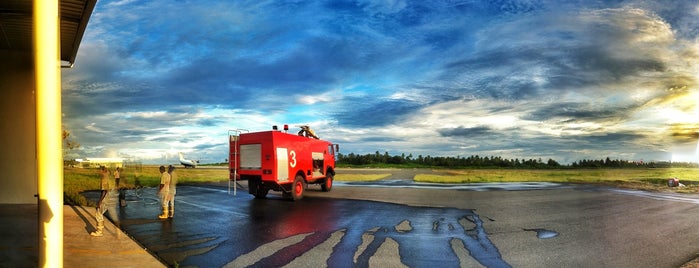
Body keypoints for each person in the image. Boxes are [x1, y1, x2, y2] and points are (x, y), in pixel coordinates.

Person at [90, 166, 118, 237]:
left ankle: (99, 231)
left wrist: (99, 201)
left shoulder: (104, 178)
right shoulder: (109, 176)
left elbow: (104, 191)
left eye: (100, 170)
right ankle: (116, 230)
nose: (99, 172)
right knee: (105, 213)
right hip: (112, 196)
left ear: (103, 171)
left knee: (98, 212)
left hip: (107, 197)